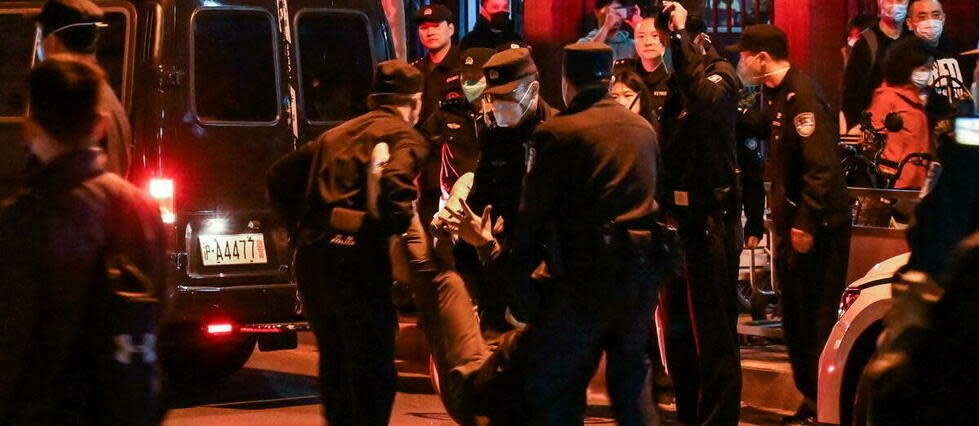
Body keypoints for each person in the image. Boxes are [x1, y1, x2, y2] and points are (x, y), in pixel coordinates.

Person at [0, 56, 166, 424]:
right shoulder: (139, 207)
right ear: (101, 124)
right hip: (127, 407)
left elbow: (11, 341)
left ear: (29, 126)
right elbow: (157, 315)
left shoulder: (24, 216)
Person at [265, 60, 429, 426]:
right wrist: (399, 233)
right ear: (415, 101)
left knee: (335, 363)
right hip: (360, 264)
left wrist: (301, 228)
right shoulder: (405, 137)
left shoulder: (336, 135)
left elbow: (279, 176)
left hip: (315, 263)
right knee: (372, 370)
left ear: (374, 98)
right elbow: (397, 185)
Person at [510, 41, 661, 425]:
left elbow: (532, 217)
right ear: (609, 80)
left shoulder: (558, 133)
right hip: (640, 275)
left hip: (582, 279)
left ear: (566, 81)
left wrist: (520, 288)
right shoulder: (642, 129)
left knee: (557, 386)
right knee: (631, 382)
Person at [729, 24, 852, 426]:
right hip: (792, 228)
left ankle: (824, 407)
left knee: (815, 319)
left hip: (817, 230)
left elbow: (822, 170)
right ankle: (810, 398)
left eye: (744, 57)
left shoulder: (804, 99)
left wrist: (805, 224)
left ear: (762, 58)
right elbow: (758, 126)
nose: (741, 64)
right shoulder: (778, 95)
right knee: (796, 321)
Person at [650, 3, 743, 425]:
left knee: (713, 333)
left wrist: (684, 34)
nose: (670, 49)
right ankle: (688, 414)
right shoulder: (677, 86)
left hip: (710, 221)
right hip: (678, 222)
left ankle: (717, 418)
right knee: (679, 334)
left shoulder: (720, 76)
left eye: (674, 41)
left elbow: (706, 104)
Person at [35, 0, 132, 178]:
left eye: (40, 36)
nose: (38, 46)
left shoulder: (73, 100)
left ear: (52, 41)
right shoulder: (101, 92)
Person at [867, 37, 934, 189]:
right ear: (905, 67)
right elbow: (872, 144)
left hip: (915, 186)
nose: (927, 74)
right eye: (923, 68)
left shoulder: (917, 99)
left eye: (930, 68)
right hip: (894, 187)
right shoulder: (887, 98)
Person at [842, 0, 910, 130]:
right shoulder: (866, 42)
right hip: (876, 128)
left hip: (908, 124)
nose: (895, 4)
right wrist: (855, 126)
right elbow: (850, 93)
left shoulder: (913, 38)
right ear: (880, 2)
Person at [906, 0, 975, 103]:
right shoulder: (901, 56)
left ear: (943, 19)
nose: (930, 21)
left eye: (936, 15)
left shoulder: (961, 50)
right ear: (910, 23)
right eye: (922, 17)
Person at [614, 17, 671, 128]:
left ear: (665, 39)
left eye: (655, 36)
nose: (647, 42)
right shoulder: (624, 72)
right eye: (641, 36)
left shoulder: (674, 75)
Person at [413, 4, 462, 124]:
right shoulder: (414, 71)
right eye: (424, 28)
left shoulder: (465, 66)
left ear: (451, 29)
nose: (430, 32)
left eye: (436, 26)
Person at [578, 0, 642, 61]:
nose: (616, 16)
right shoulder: (583, 43)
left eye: (619, 10)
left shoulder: (632, 45)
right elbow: (588, 60)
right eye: (612, 11)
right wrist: (606, 26)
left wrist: (640, 27)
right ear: (597, 12)